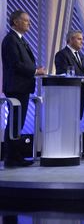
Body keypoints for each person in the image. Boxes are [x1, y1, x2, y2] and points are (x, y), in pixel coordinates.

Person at [1, 10, 46, 167]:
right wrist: (35, 71)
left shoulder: (19, 39)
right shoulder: (10, 40)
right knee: (14, 123)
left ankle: (15, 156)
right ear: (15, 22)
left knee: (17, 123)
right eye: (26, 21)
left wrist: (35, 69)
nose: (29, 24)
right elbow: (16, 64)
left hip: (22, 87)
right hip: (16, 87)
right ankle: (11, 158)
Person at [55, 30, 84, 119]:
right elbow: (62, 73)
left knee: (78, 121)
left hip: (81, 94)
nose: (82, 42)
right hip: (68, 95)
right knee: (68, 121)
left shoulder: (81, 56)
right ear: (71, 39)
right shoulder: (61, 54)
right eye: (79, 39)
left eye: (82, 39)